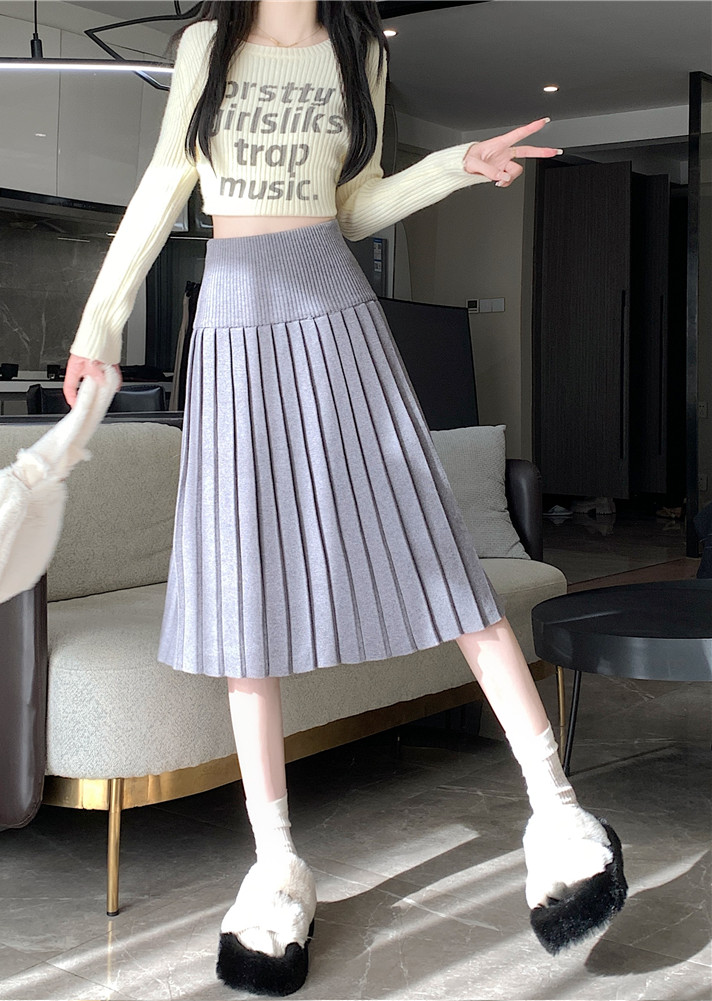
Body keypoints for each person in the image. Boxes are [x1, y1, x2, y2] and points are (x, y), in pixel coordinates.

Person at [64, 1, 626, 994]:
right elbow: (165, 177)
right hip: (232, 323)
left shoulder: (358, 50)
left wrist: (452, 166)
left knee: (434, 551)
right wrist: (99, 321)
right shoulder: (206, 46)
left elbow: (353, 205)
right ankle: (276, 863)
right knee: (245, 588)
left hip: (336, 311)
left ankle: (555, 810)